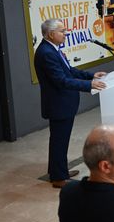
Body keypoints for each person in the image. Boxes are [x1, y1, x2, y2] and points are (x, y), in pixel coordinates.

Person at [34, 18, 107, 188]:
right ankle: (59, 178)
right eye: (62, 31)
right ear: (51, 34)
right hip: (58, 104)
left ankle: (59, 170)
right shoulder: (46, 53)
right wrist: (89, 85)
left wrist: (91, 76)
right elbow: (61, 80)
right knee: (59, 140)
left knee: (61, 139)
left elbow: (69, 71)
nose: (65, 34)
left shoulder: (53, 49)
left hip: (63, 103)